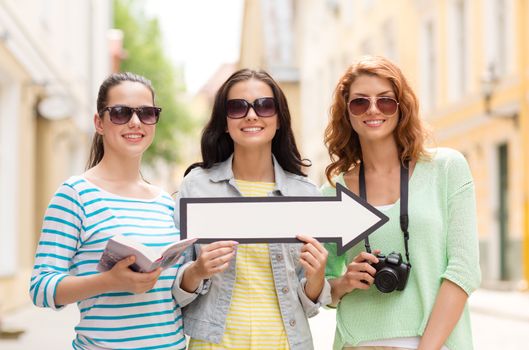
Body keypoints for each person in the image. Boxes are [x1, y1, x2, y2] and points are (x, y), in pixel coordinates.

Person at [322, 56, 481, 350]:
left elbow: (464, 270)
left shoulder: (446, 169)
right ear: (347, 113)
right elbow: (319, 289)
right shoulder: (333, 191)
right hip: (358, 343)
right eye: (360, 102)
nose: (372, 110)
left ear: (401, 108)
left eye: (385, 101)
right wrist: (344, 282)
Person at [172, 68, 331, 350]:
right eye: (237, 107)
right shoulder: (196, 187)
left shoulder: (305, 193)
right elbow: (172, 288)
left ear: (279, 118)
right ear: (224, 122)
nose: (252, 115)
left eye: (264, 105)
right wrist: (197, 270)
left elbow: (310, 303)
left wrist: (317, 276)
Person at [30, 72, 187, 349]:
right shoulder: (75, 194)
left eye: (146, 113)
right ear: (99, 123)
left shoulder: (164, 201)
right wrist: (109, 281)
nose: (135, 122)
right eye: (120, 113)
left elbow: (172, 293)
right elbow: (41, 288)